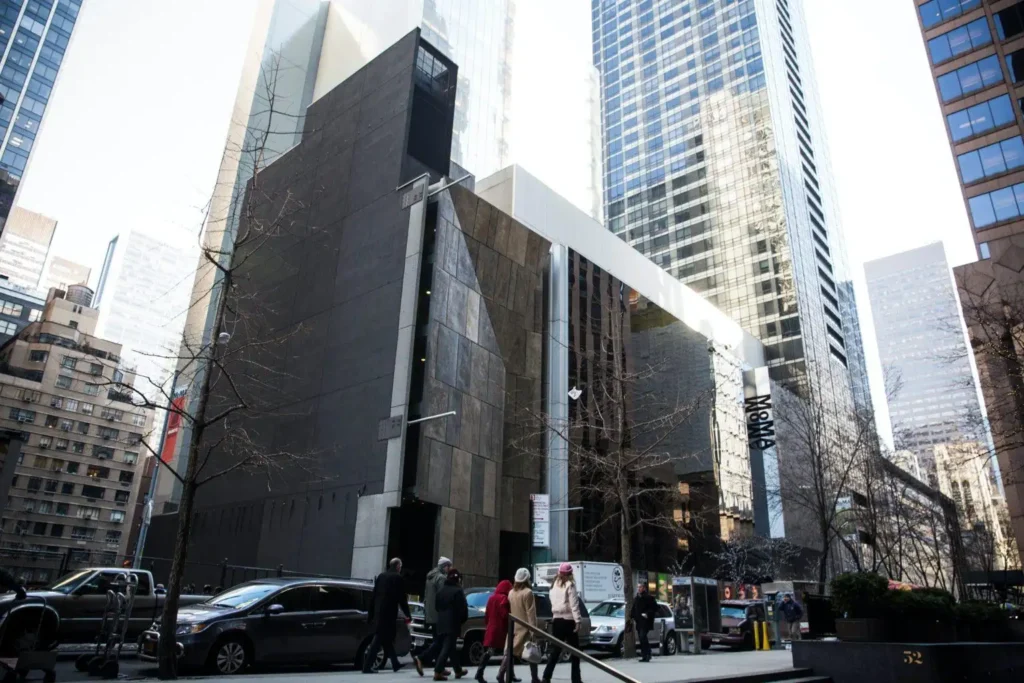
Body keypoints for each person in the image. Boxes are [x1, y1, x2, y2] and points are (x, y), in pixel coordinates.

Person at [363, 557, 412, 674]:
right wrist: (408, 614)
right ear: (398, 566)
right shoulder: (398, 578)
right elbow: (402, 599)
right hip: (389, 614)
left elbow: (373, 597)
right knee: (378, 639)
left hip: (379, 613)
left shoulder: (381, 576)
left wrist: (371, 615)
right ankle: (367, 666)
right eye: (400, 566)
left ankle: (395, 663)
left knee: (386, 639)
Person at [541, 564, 582, 683]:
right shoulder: (570, 585)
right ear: (570, 573)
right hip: (569, 620)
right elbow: (574, 605)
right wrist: (578, 621)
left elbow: (552, 601)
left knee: (556, 650)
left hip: (557, 620)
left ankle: (546, 676)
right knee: (575, 651)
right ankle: (576, 679)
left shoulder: (553, 585)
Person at [415, 557, 453, 675]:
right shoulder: (441, 578)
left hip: (431, 615)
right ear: (444, 566)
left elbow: (427, 597)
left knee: (438, 640)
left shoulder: (430, 577)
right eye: (449, 566)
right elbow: (443, 597)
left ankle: (439, 667)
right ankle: (420, 658)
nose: (450, 569)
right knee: (440, 642)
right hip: (439, 615)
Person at [433, 569, 469, 681]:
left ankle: (458, 670)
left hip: (440, 622)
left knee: (451, 648)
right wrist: (461, 621)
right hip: (452, 623)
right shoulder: (458, 591)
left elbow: (436, 607)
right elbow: (463, 609)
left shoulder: (441, 591)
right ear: (457, 579)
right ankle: (438, 671)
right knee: (447, 647)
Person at [476, 580, 512, 683]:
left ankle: (480, 672)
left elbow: (487, 614)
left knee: (490, 651)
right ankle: (481, 673)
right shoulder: (504, 598)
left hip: (491, 627)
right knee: (508, 651)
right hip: (500, 629)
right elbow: (505, 615)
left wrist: (488, 624)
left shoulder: (491, 598)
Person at [509, 568, 540, 683]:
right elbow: (531, 614)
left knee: (510, 653)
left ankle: (506, 674)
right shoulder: (528, 592)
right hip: (525, 628)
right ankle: (535, 678)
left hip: (513, 627)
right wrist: (534, 631)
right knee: (532, 652)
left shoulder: (511, 592)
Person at [630, 583, 656, 662]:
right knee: (642, 638)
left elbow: (655, 608)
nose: (639, 588)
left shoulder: (649, 598)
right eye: (638, 587)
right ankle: (646, 654)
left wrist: (647, 614)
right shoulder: (637, 598)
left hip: (646, 621)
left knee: (642, 636)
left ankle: (647, 654)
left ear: (644, 588)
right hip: (639, 621)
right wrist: (632, 616)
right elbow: (634, 609)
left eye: (640, 587)